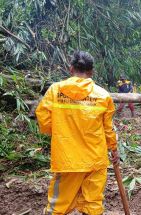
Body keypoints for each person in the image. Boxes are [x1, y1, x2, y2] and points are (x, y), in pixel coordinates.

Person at [36, 51, 119, 215]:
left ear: (71, 68)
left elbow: (44, 120)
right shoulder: (103, 95)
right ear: (91, 71)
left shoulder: (55, 91)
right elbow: (108, 128)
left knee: (58, 207)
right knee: (93, 205)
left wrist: (61, 130)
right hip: (96, 159)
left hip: (67, 160)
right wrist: (113, 149)